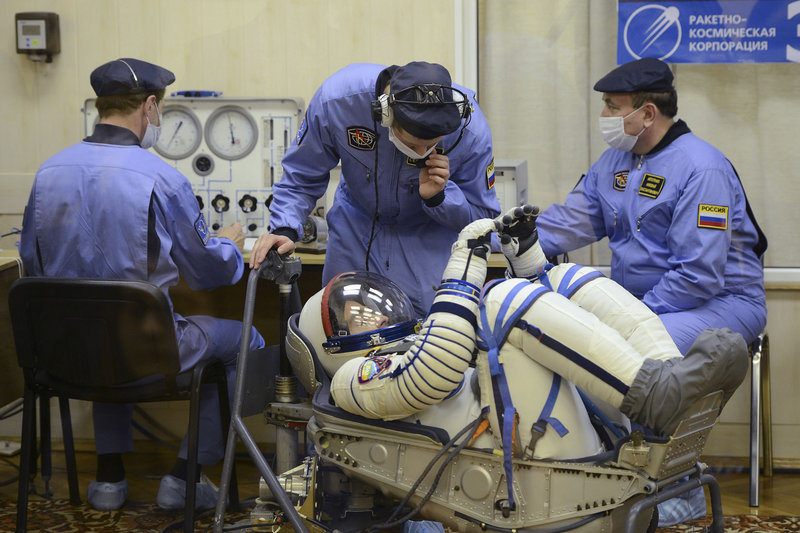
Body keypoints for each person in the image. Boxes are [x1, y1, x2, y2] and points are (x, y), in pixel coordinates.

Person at [289, 205, 748, 475]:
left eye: (375, 307)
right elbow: (434, 374)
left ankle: (665, 387)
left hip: (552, 433)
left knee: (566, 280)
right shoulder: (350, 381)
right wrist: (464, 270)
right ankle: (656, 397)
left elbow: (464, 345)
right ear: (325, 345)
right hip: (526, 464)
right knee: (499, 300)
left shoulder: (413, 343)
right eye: (355, 319)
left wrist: (529, 262)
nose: (376, 317)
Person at [18, 58, 265, 512]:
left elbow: (32, 267)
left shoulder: (49, 171)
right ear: (150, 107)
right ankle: (185, 477)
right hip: (144, 349)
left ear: (101, 106)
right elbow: (206, 271)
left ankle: (109, 480)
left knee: (106, 326)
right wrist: (229, 244)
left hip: (66, 352)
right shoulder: (161, 178)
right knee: (248, 339)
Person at [532, 57, 767, 526]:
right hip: (643, 304)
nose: (604, 115)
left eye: (612, 106)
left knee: (630, 354)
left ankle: (672, 497)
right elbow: (570, 222)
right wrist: (506, 237)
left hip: (720, 303)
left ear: (646, 113)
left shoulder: (703, 168)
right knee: (561, 337)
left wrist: (621, 315)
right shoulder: (616, 161)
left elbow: (698, 275)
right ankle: (603, 477)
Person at [249, 61, 501, 317]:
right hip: (355, 232)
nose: (421, 154)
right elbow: (302, 173)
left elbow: (483, 222)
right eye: (413, 144)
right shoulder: (338, 102)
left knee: (430, 342)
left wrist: (440, 199)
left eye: (431, 145)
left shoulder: (470, 131)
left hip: (428, 240)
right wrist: (285, 227)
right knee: (344, 336)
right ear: (386, 114)